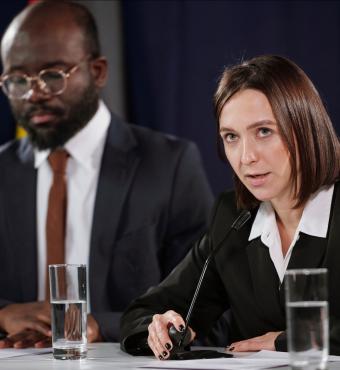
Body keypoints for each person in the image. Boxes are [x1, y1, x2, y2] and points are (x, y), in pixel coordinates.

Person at [0, 1, 213, 348]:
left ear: (98, 71)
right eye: (17, 80)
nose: (33, 94)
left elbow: (206, 307)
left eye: (52, 76)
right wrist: (3, 314)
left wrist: (100, 325)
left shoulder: (170, 165)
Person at [120, 55, 340, 359]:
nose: (246, 156)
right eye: (231, 137)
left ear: (304, 127)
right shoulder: (233, 218)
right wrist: (160, 327)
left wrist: (285, 341)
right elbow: (144, 311)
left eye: (264, 131)